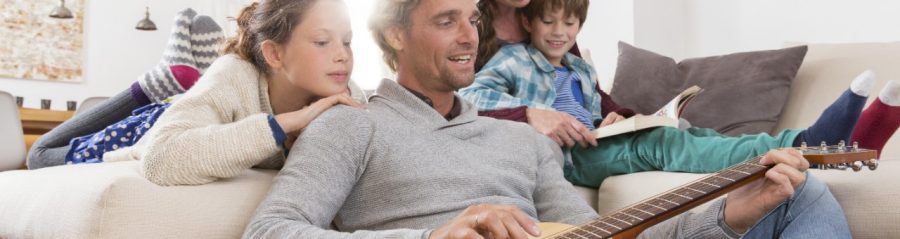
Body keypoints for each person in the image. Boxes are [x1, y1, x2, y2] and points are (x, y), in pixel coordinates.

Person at [243, 0, 850, 238]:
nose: (467, 36)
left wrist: (726, 214)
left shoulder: (516, 141)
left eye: (472, 20)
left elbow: (596, 234)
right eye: (444, 19)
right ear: (394, 36)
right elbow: (270, 232)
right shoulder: (353, 124)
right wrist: (432, 237)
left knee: (797, 193)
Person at [459, 0, 900, 187]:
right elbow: (467, 101)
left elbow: (595, 101)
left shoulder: (573, 62)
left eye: (569, 25)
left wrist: (619, 115)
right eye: (550, 23)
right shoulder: (508, 57)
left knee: (695, 133)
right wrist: (533, 113)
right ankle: (803, 143)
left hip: (595, 140)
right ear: (532, 24)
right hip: (565, 157)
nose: (560, 33)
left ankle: (836, 145)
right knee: (662, 143)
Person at [98, 0, 366, 186]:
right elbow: (159, 159)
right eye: (322, 42)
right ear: (274, 53)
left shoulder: (346, 93)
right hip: (141, 131)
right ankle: (158, 81)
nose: (343, 55)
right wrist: (285, 124)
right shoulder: (236, 73)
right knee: (53, 149)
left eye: (347, 41)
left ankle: (182, 75)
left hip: (202, 113)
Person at [27, 9, 224, 169]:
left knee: (38, 154)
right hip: (182, 118)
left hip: (155, 132)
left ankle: (157, 83)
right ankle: (189, 83)